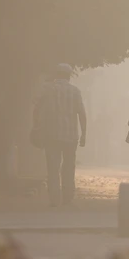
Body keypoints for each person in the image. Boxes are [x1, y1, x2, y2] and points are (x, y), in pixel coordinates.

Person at [33, 64, 87, 207]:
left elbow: (36, 108)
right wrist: (84, 134)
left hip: (51, 135)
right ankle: (68, 196)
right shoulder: (75, 91)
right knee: (69, 165)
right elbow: (81, 113)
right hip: (71, 136)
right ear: (69, 76)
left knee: (53, 167)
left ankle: (54, 199)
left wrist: (36, 127)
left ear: (56, 74)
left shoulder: (47, 89)